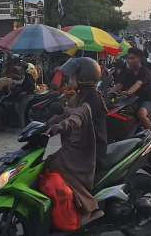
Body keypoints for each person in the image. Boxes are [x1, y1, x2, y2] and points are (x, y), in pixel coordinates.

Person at [44, 79, 102, 226]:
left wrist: (60, 126)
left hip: (82, 151)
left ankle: (91, 208)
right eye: (67, 89)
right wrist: (46, 124)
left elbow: (74, 120)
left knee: (54, 163)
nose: (68, 91)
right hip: (72, 146)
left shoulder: (88, 103)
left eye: (72, 89)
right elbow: (63, 115)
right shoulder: (75, 101)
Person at [61, 57, 108, 161]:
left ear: (82, 78)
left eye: (73, 76)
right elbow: (66, 111)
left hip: (92, 152)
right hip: (81, 145)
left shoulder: (92, 97)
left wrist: (61, 125)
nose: (70, 79)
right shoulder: (80, 94)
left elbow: (78, 116)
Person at [113, 48, 151, 130]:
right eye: (128, 58)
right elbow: (119, 84)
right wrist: (106, 93)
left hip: (146, 100)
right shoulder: (126, 72)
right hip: (131, 101)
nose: (129, 60)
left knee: (141, 114)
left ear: (139, 58)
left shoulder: (144, 71)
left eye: (132, 58)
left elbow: (138, 83)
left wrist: (129, 92)